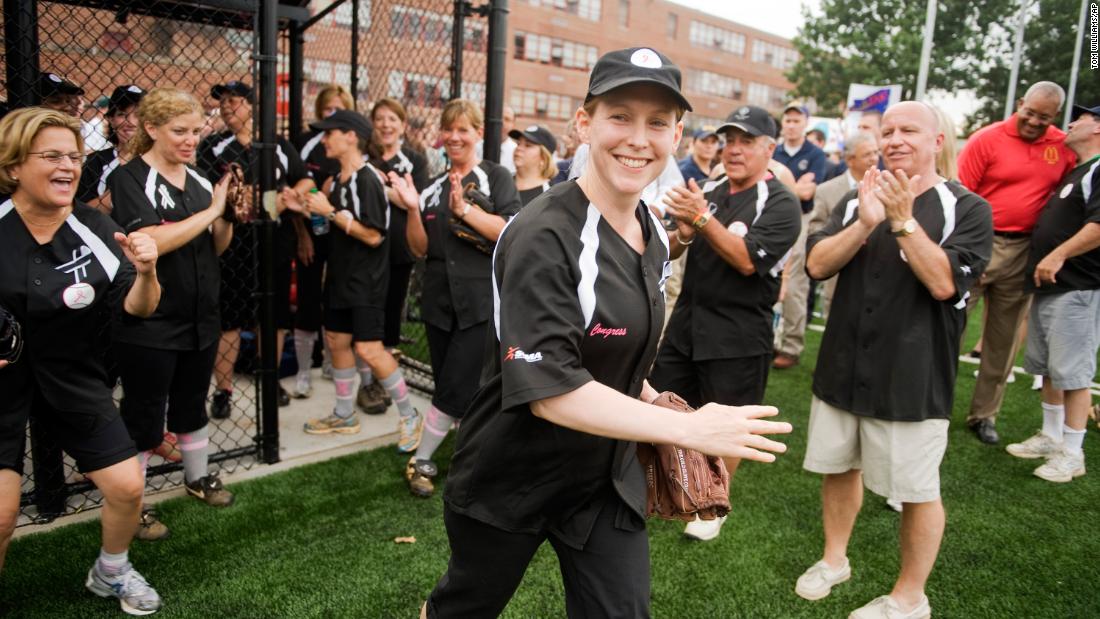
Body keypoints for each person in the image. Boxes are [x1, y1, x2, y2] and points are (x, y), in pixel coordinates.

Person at [419, 47, 792, 619]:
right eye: (620, 116)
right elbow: (550, 390)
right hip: (509, 475)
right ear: (584, 123)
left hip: (602, 480)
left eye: (658, 123)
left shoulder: (657, 234)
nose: (638, 139)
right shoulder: (541, 233)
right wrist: (689, 428)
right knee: (463, 609)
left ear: (678, 134)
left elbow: (622, 357)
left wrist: (660, 404)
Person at [798, 102, 992, 618]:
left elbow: (946, 283)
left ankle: (910, 596)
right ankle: (834, 559)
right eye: (888, 131)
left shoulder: (966, 207)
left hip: (912, 376)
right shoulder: (857, 197)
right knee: (838, 468)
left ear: (938, 142)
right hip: (842, 366)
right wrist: (864, 224)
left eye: (910, 130)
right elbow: (816, 266)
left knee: (916, 491)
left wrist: (903, 223)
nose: (896, 138)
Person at [0, 106, 163, 613]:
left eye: (73, 155)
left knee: (127, 485)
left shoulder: (97, 227)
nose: (68, 166)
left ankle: (110, 571)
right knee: (2, 517)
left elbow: (137, 310)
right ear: (13, 167)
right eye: (51, 156)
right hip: (3, 385)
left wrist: (147, 273)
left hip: (73, 372)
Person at [650, 104, 802, 542]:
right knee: (665, 405)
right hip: (687, 323)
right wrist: (682, 231)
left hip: (738, 335)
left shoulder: (781, 203)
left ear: (769, 149)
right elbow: (676, 248)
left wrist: (701, 218)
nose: (734, 150)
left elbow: (747, 261)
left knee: (729, 419)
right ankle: (665, 483)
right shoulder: (711, 188)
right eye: (729, 140)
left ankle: (712, 503)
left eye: (746, 141)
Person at [109, 87, 237, 541]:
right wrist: (212, 213)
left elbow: (215, 247)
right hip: (151, 320)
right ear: (151, 128)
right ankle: (133, 504)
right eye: (179, 131)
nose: (190, 140)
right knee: (144, 414)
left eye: (196, 131)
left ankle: (198, 479)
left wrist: (226, 217)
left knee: (191, 404)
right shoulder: (129, 178)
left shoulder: (200, 181)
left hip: (200, 315)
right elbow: (150, 242)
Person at [387, 98, 522, 498]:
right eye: (450, 130)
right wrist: (412, 209)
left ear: (479, 133)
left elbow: (509, 232)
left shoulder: (496, 177)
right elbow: (419, 248)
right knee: (454, 383)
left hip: (481, 301)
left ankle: (423, 458)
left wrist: (463, 211)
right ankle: (475, 458)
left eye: (464, 129)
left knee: (457, 383)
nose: (456, 137)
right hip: (438, 302)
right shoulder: (430, 185)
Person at [957, 81, 1076, 444]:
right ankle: (927, 402)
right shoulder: (987, 138)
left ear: (1055, 116)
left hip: (1024, 247)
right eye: (1030, 113)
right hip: (980, 242)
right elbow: (961, 192)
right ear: (1020, 104)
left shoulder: (1062, 146)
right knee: (949, 324)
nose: (1035, 122)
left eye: (1044, 117)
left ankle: (984, 415)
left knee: (1003, 340)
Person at [286, 110, 416, 441]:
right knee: (336, 340)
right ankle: (344, 414)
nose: (324, 139)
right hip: (340, 278)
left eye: (330, 133)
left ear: (351, 137)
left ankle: (411, 417)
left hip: (366, 283)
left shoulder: (367, 178)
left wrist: (328, 212)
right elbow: (330, 224)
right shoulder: (339, 179)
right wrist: (303, 209)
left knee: (370, 350)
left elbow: (374, 235)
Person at [197, 80, 312, 417]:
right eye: (223, 103)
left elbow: (303, 178)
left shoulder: (274, 144)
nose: (227, 107)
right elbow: (204, 187)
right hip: (233, 240)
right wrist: (233, 197)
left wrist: (275, 197)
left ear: (251, 106)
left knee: (272, 317)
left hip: (273, 238)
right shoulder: (214, 145)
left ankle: (269, 378)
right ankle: (224, 390)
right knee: (229, 317)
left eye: (234, 101)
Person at [1006, 102, 1100, 482]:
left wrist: (1059, 254)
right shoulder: (1076, 171)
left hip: (1078, 286)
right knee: (1048, 368)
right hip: (1052, 285)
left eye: (1082, 118)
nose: (1072, 122)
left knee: (1073, 374)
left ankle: (1072, 453)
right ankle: (1051, 435)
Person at [356, 97, 430, 412]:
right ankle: (365, 382)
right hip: (365, 247)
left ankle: (381, 380)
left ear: (401, 125)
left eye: (393, 119)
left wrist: (382, 189)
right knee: (364, 313)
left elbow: (416, 202)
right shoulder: (363, 156)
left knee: (390, 314)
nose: (386, 125)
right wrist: (393, 193)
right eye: (380, 119)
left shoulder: (414, 159)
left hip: (398, 249)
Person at [291, 84, 355, 397]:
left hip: (341, 236)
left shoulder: (353, 147)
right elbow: (295, 191)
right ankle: (304, 371)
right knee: (307, 300)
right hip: (311, 233)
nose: (332, 116)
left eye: (339, 109)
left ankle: (332, 360)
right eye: (328, 109)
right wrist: (304, 233)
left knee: (337, 302)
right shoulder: (306, 143)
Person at [773, 100, 827, 370]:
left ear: (806, 124)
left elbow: (807, 193)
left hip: (800, 218)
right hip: (769, 216)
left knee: (795, 282)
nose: (791, 125)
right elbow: (798, 188)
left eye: (797, 120)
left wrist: (780, 187)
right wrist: (794, 185)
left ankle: (791, 346)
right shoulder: (775, 150)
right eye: (788, 120)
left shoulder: (815, 154)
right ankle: (771, 337)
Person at [808, 132, 880, 321]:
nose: (874, 158)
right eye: (867, 154)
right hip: (837, 280)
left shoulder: (885, 186)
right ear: (849, 160)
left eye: (876, 152)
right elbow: (816, 233)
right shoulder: (827, 191)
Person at [77, 85, 145, 214]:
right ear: (111, 119)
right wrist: (115, 194)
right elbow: (80, 213)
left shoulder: (161, 159)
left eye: (139, 115)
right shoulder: (96, 162)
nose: (130, 122)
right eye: (122, 114)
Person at [509, 123, 557, 205]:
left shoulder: (551, 195)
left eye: (528, 145)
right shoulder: (502, 181)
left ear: (543, 157)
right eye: (518, 143)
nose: (519, 148)